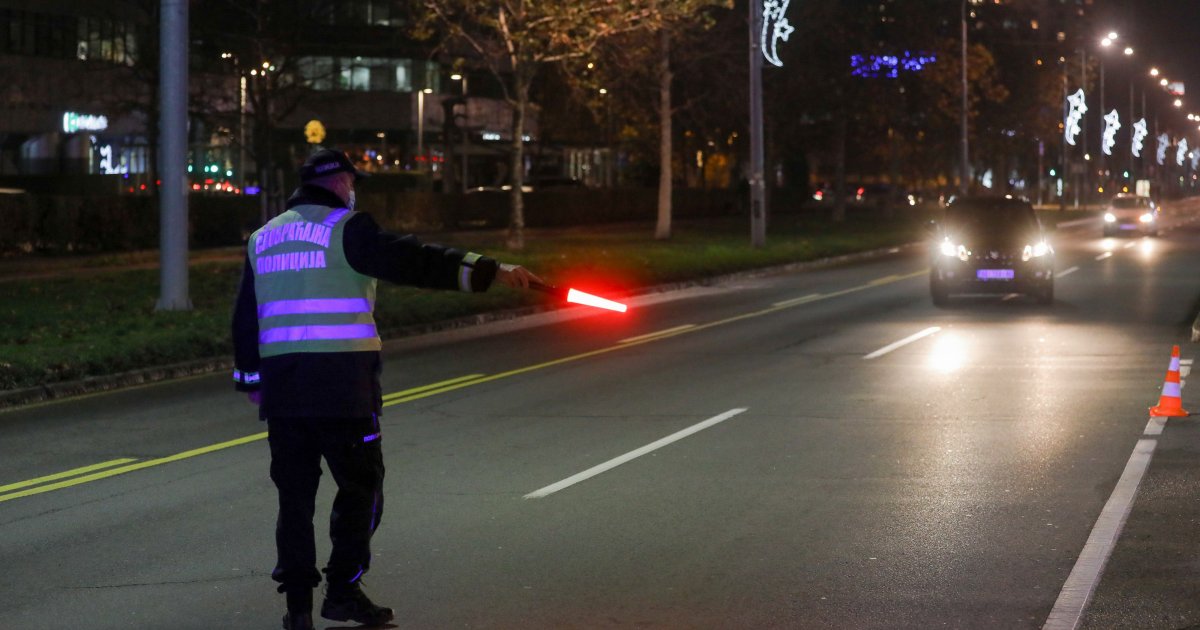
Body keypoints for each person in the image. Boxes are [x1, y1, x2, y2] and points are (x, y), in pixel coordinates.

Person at [231, 148, 541, 630]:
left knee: (293, 501)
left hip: (286, 394)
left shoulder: (264, 237)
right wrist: (488, 270)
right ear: (338, 182)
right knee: (361, 488)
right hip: (342, 391)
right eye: (353, 181)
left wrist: (251, 379)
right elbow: (413, 261)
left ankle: (296, 610)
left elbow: (245, 314)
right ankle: (343, 590)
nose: (355, 189)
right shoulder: (346, 229)